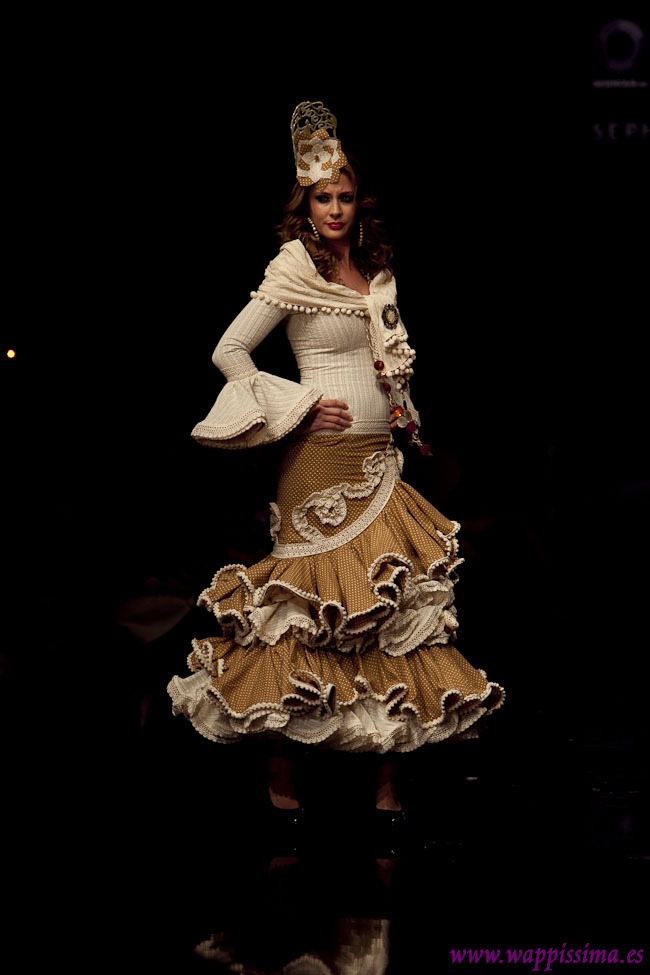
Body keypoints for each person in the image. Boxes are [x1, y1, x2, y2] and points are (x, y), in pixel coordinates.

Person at [167, 100, 505, 845]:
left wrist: (404, 412)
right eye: (323, 197)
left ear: (359, 203)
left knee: (388, 615)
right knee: (308, 614)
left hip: (380, 461)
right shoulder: (293, 267)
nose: (335, 209)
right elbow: (229, 351)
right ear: (306, 204)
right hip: (318, 465)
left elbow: (390, 360)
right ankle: (282, 777)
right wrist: (295, 408)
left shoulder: (375, 270)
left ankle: (386, 780)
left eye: (345, 197)